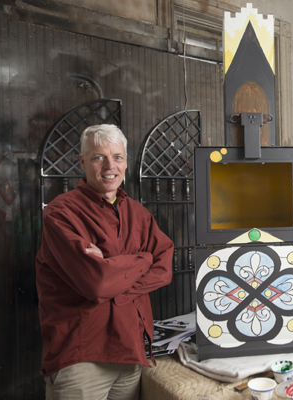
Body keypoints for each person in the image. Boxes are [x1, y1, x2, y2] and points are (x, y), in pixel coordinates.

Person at [35, 124, 174, 399]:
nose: (110, 165)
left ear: (125, 162)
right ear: (83, 161)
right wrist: (143, 259)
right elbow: (97, 283)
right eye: (99, 157)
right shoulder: (61, 213)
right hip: (82, 358)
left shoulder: (139, 213)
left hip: (131, 353)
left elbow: (165, 268)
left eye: (118, 157)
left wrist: (114, 270)